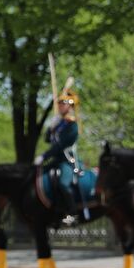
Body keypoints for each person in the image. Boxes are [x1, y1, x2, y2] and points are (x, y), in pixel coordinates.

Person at [35, 83, 82, 215]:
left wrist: (44, 156)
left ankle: (73, 213)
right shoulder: (59, 123)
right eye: (59, 103)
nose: (60, 106)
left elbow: (60, 146)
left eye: (63, 103)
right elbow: (48, 140)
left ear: (70, 106)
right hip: (55, 160)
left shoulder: (72, 126)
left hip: (67, 161)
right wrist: (51, 127)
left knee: (63, 184)